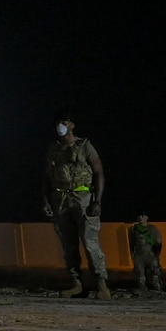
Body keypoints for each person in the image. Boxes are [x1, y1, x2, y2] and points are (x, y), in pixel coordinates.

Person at [40, 119, 110, 299]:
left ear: (72, 125)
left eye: (64, 122)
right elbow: (48, 177)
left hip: (83, 199)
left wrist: (97, 202)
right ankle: (76, 284)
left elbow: (99, 172)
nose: (60, 127)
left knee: (90, 242)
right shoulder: (54, 149)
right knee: (68, 245)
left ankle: (101, 284)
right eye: (58, 123)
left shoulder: (85, 146)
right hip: (61, 200)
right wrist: (46, 201)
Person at [128, 214, 163, 293]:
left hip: (151, 255)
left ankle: (158, 292)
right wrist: (133, 255)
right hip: (139, 256)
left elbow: (159, 243)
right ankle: (143, 292)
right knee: (140, 278)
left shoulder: (153, 229)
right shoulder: (134, 229)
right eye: (139, 216)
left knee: (155, 277)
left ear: (147, 217)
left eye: (143, 216)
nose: (140, 218)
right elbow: (132, 243)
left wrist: (156, 255)